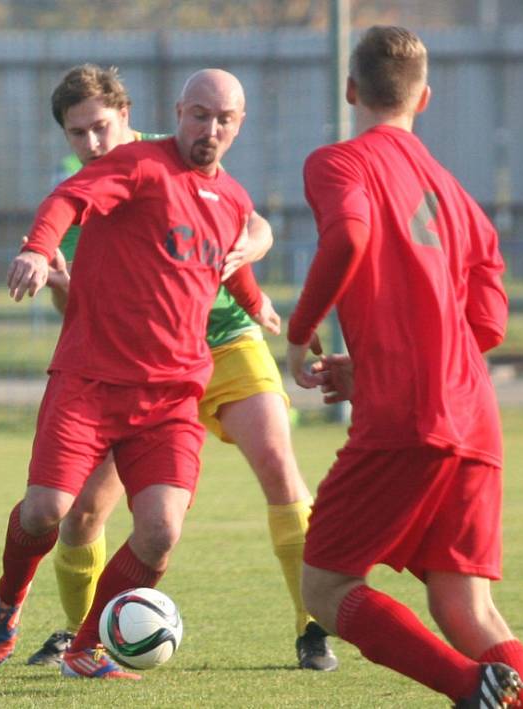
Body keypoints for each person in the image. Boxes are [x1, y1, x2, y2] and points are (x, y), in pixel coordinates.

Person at [23, 64, 336, 671]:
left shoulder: (166, 155)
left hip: (222, 342)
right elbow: (76, 302)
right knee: (84, 510)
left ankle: (312, 627)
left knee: (279, 468)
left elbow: (242, 215)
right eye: (77, 133)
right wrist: (54, 275)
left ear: (136, 117)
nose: (92, 142)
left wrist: (262, 239)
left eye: (101, 127)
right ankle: (80, 635)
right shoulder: (84, 186)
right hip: (136, 367)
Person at [0, 68, 268, 680]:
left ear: (239, 124)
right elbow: (64, 201)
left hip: (170, 396)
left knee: (160, 533)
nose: (209, 129)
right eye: (199, 115)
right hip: (89, 382)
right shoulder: (135, 165)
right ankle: (8, 599)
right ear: (179, 111)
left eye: (223, 119)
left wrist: (258, 302)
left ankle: (85, 648)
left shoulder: (231, 196)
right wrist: (37, 249)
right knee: (46, 514)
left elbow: (226, 257)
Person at [286, 26, 523, 708]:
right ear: (424, 98)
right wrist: (370, 364)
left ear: (350, 90)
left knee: (326, 586)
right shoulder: (454, 193)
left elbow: (349, 234)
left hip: (408, 415)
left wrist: (299, 332)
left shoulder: (340, 163)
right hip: (472, 413)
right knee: (466, 606)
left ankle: (470, 689)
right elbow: (485, 322)